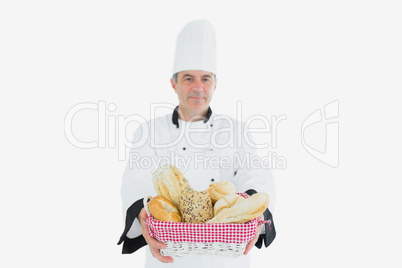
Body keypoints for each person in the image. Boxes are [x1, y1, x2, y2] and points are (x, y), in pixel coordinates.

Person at [117, 20, 276, 268]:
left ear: (215, 83)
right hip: (169, 258)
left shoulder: (236, 130)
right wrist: (142, 215)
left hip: (226, 258)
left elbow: (255, 175)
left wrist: (256, 217)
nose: (198, 87)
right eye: (188, 78)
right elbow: (136, 179)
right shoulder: (149, 130)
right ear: (174, 83)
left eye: (206, 78)